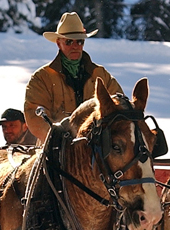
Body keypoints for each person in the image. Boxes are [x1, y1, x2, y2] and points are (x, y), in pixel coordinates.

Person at [23, 12, 123, 142]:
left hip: (96, 151)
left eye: (80, 41)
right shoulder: (41, 78)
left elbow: (119, 105)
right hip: (54, 153)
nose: (75, 46)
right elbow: (34, 116)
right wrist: (60, 139)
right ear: (59, 43)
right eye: (69, 42)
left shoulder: (100, 74)